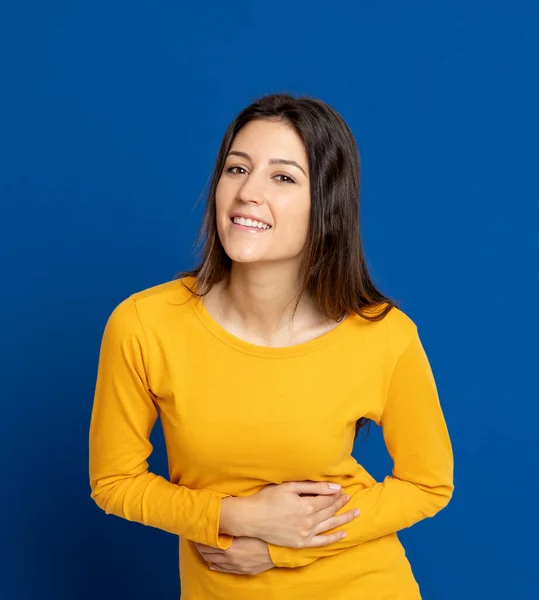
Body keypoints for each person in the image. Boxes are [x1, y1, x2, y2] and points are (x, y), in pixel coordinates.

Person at [89, 92, 454, 599]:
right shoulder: (144, 324)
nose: (247, 193)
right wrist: (236, 517)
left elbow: (428, 484)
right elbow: (113, 481)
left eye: (282, 177)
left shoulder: (384, 334)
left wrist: (284, 547)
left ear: (325, 203)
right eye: (237, 169)